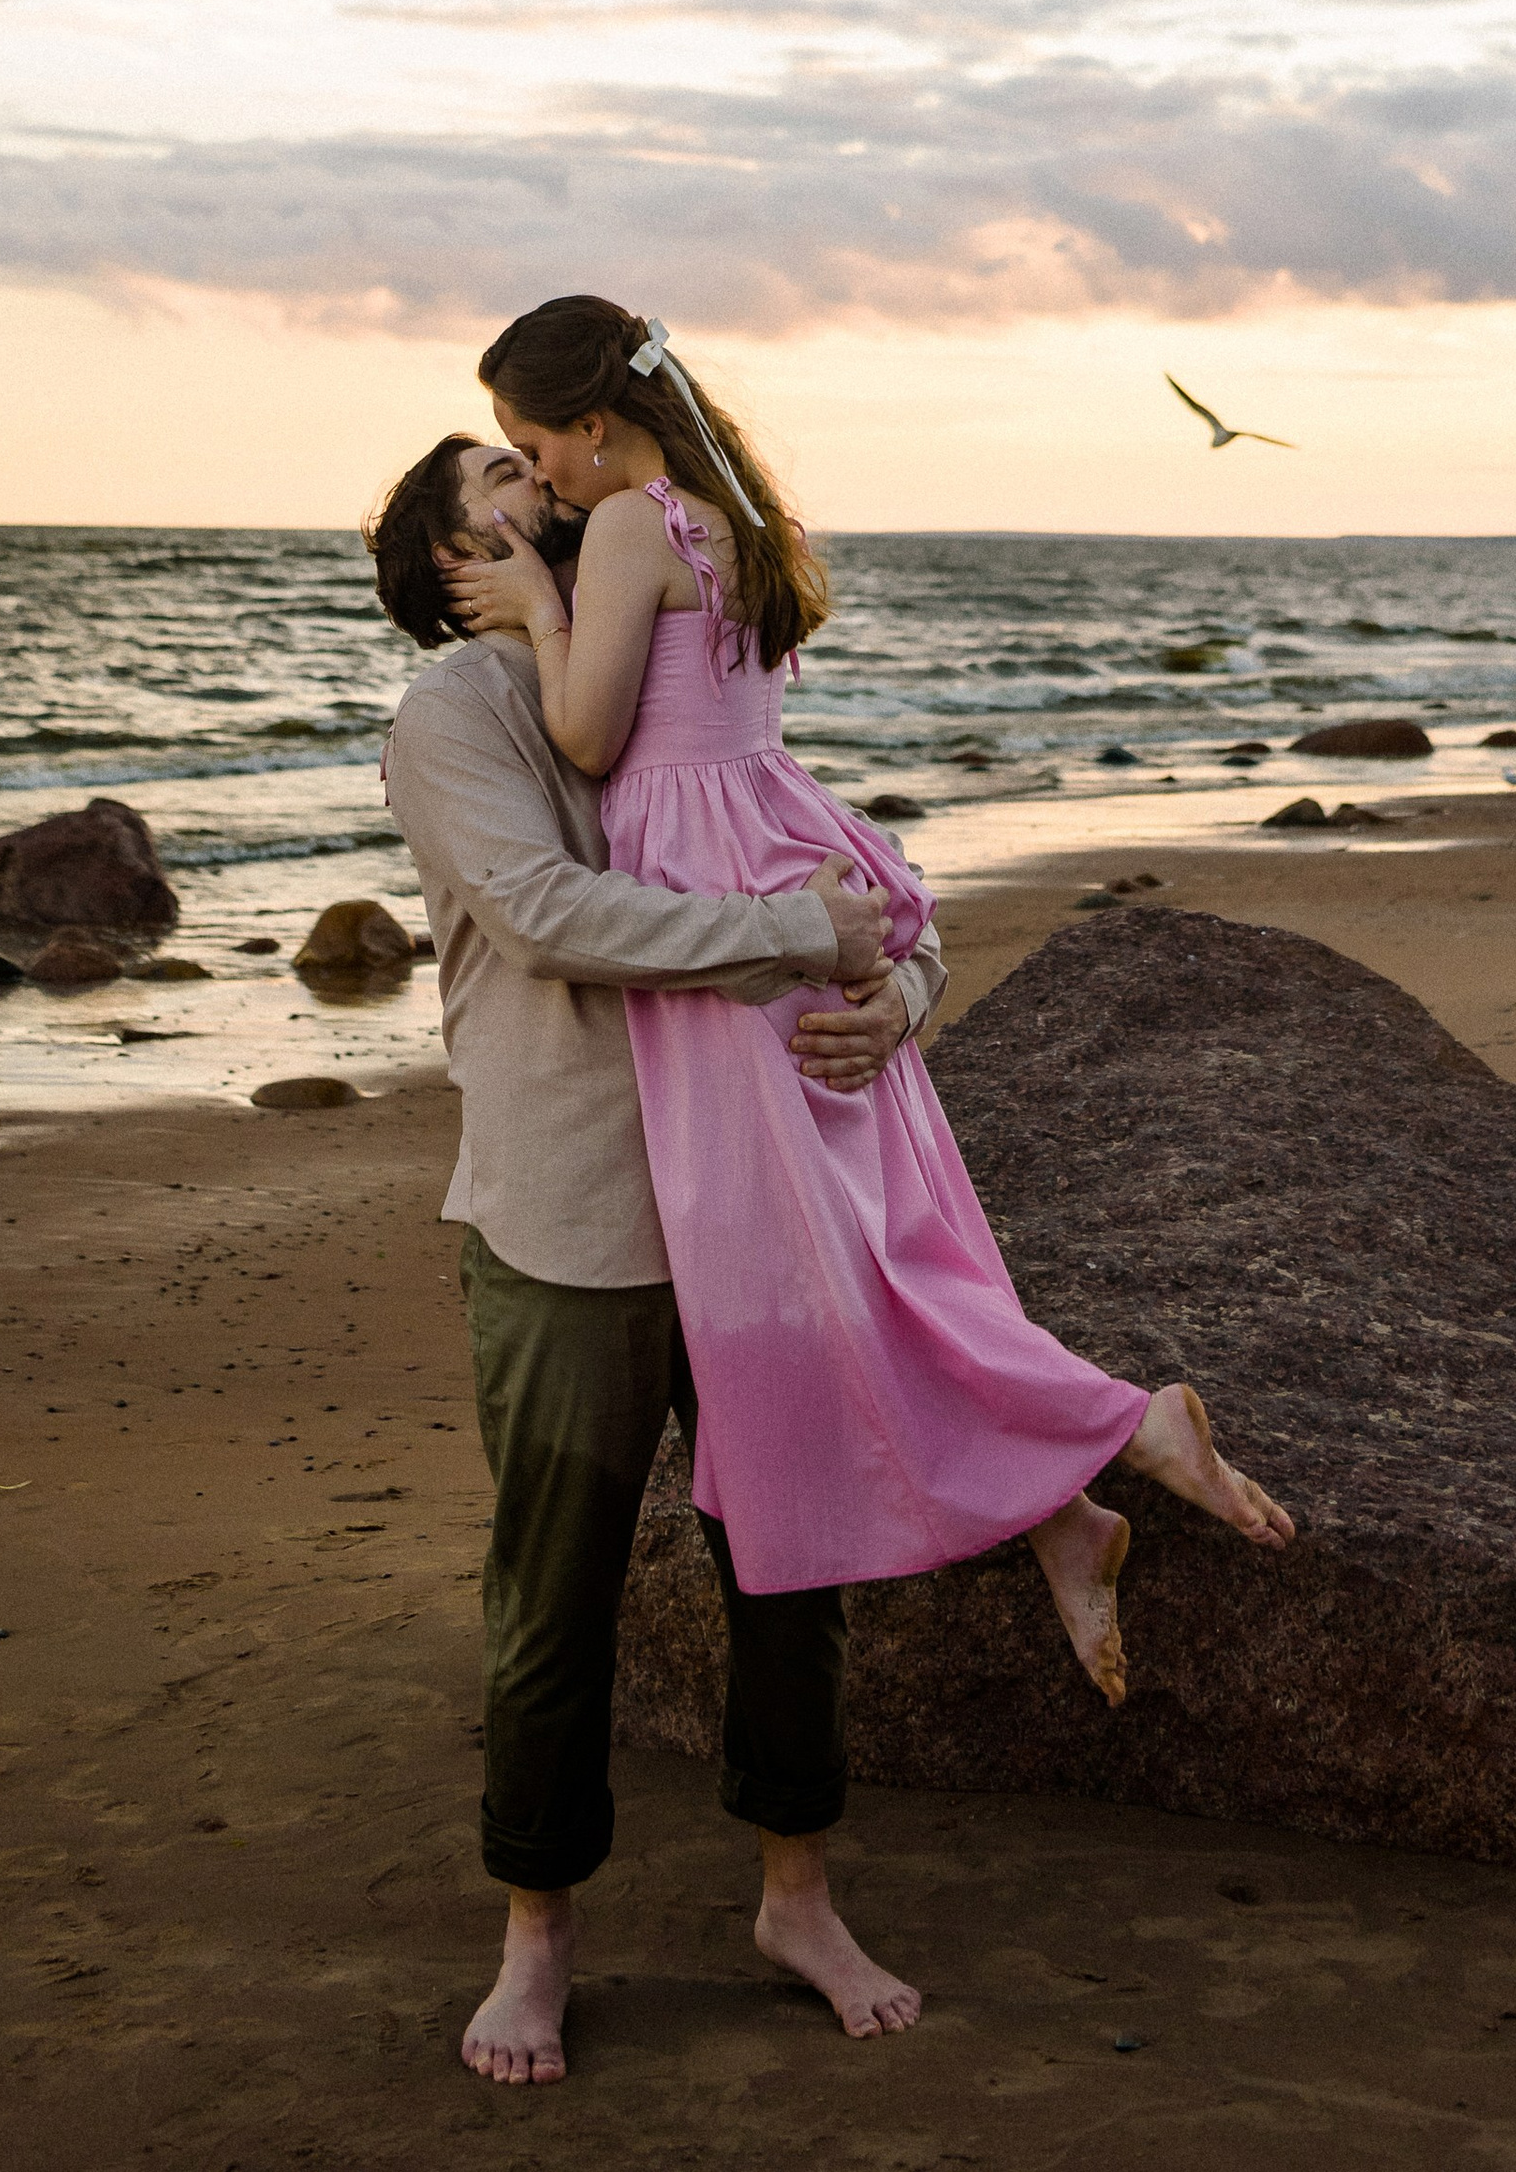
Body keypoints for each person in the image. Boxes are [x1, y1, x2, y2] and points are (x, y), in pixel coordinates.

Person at [449, 296, 1295, 1718]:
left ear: (595, 425)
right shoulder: (731, 521)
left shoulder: (628, 527)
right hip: (775, 850)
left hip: (714, 902)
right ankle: (1058, 1511)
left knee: (807, 1273)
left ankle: (1121, 1428)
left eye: (536, 446)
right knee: (877, 1241)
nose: (535, 478)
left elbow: (591, 737)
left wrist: (538, 608)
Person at [371, 427, 946, 2083]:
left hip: (752, 1205)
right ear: (448, 567)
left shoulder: (656, 667)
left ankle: (799, 1899)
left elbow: (857, 876)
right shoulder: (455, 718)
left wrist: (903, 995)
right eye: (501, 490)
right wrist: (787, 937)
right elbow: (555, 915)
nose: (544, 497)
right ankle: (537, 1938)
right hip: (579, 1223)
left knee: (794, 1565)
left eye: (537, 473)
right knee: (555, 1596)